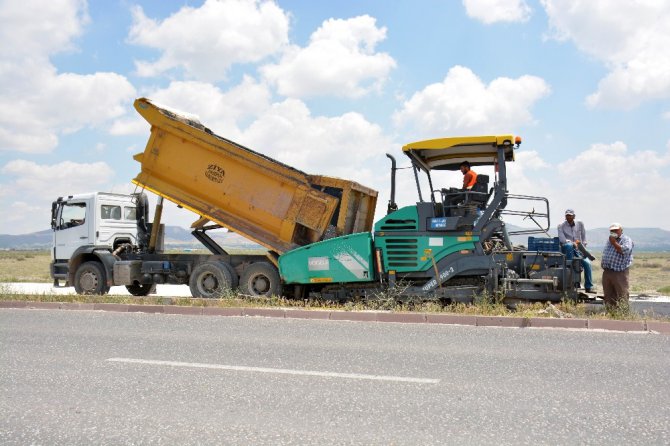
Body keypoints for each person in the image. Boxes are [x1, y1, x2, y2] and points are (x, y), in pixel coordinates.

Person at [557, 209, 594, 292]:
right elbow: (562, 240)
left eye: (570, 215)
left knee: (587, 263)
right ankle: (572, 280)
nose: (568, 217)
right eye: (567, 215)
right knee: (570, 247)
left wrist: (583, 245)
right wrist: (571, 242)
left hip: (578, 249)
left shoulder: (579, 224)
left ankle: (588, 286)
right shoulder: (561, 225)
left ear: (574, 216)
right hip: (568, 248)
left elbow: (583, 236)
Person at [601, 222, 634, 307]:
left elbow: (624, 250)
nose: (614, 232)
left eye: (616, 230)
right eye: (612, 230)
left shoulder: (626, 239)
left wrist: (614, 243)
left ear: (621, 230)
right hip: (608, 271)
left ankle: (623, 314)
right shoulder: (610, 240)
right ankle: (611, 314)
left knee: (622, 294)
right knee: (608, 295)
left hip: (619, 272)